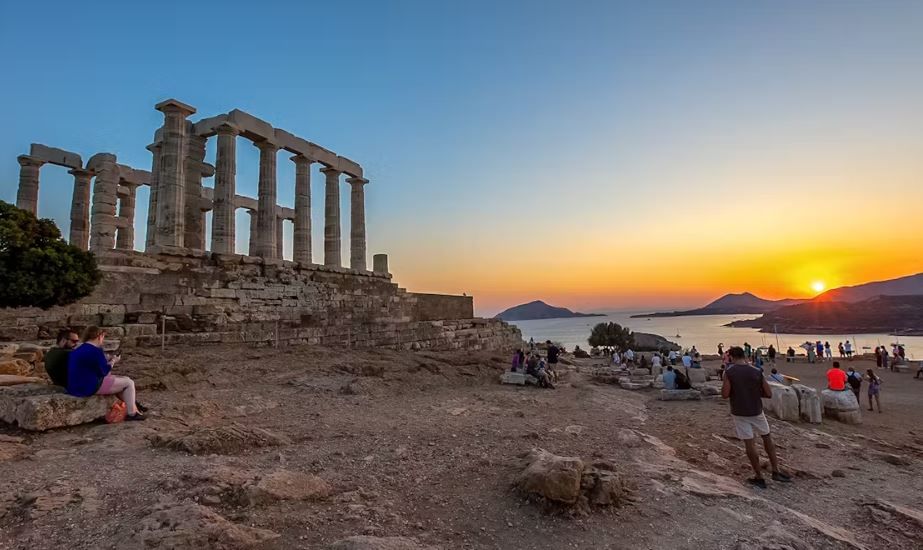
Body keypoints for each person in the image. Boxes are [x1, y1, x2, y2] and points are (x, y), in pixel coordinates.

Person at [722, 346, 791, 488]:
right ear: (744, 355)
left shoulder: (729, 373)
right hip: (756, 410)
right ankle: (776, 470)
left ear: (732, 357)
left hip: (739, 411)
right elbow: (769, 393)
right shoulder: (757, 371)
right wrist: (755, 393)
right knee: (767, 438)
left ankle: (759, 476)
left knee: (749, 443)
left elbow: (725, 394)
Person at [67, 326, 145, 421]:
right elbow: (104, 371)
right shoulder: (96, 350)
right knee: (129, 383)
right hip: (88, 387)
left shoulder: (78, 350)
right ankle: (132, 413)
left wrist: (106, 360)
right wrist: (113, 361)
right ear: (99, 336)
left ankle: (133, 405)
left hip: (74, 387)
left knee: (124, 379)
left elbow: (89, 366)